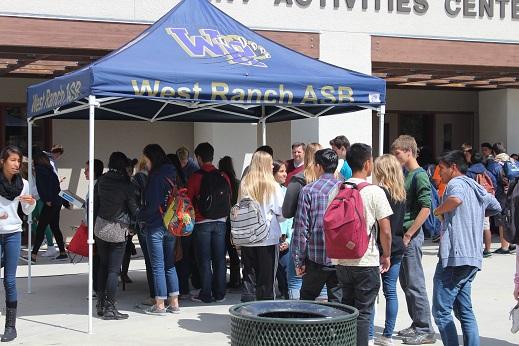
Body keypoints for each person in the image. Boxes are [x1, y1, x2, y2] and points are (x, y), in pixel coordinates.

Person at [432, 150, 501, 346]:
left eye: (442, 169)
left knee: (441, 311)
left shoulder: (456, 183)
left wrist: (438, 211)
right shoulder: (476, 186)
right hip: (472, 257)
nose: (440, 174)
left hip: (456, 256)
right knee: (464, 311)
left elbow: (456, 200)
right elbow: (495, 206)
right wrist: (474, 213)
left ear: (453, 167)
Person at [333, 144, 392, 346]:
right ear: (368, 164)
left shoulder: (337, 188)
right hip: (366, 260)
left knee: (347, 310)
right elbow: (385, 230)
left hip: (341, 260)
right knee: (364, 312)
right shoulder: (374, 191)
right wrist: (387, 254)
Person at [391, 135, 436, 344]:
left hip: (412, 237)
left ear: (409, 151)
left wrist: (409, 234)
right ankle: (417, 323)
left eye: (398, 153)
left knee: (415, 283)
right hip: (404, 236)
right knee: (406, 282)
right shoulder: (407, 174)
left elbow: (426, 208)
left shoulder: (419, 176)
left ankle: (425, 328)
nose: (395, 157)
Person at [292, 149, 342, 303]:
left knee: (307, 300)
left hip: (316, 256)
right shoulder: (346, 188)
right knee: (339, 304)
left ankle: (305, 327)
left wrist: (298, 260)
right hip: (342, 257)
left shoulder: (309, 190)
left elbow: (301, 229)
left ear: (319, 166)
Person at [93, 152, 138, 320]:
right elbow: (133, 209)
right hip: (118, 229)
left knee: (103, 266)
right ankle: (110, 308)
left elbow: (95, 205)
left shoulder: (102, 181)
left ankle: (100, 304)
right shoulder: (127, 184)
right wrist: (136, 225)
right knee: (113, 270)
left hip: (100, 227)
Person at [369, 154, 407, 346]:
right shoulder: (401, 193)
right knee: (390, 291)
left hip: (379, 246)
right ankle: (388, 334)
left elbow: (381, 227)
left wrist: (385, 252)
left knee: (371, 292)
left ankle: (368, 334)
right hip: (398, 245)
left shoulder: (378, 192)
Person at [138, 144, 180, 314]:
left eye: (146, 159)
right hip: (171, 225)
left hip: (156, 225)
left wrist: (139, 216)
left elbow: (152, 206)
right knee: (170, 265)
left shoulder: (155, 177)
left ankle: (160, 304)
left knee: (157, 266)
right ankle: (175, 303)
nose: (145, 162)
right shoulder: (172, 173)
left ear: (151, 158)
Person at [0, 146, 36, 342]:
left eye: (18, 161)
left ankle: (10, 326)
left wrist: (31, 203)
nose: (16, 164)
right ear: (3, 161)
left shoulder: (23, 183)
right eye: (12, 160)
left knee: (10, 280)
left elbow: (26, 210)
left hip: (13, 232)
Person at [187, 142, 231, 303]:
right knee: (219, 259)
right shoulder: (223, 175)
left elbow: (188, 200)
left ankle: (206, 293)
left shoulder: (195, 177)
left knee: (204, 259)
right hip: (221, 222)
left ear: (198, 158)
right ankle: (220, 293)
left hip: (201, 222)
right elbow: (228, 197)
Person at [239, 151, 285, 300]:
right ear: (265, 164)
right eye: (270, 162)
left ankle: (246, 312)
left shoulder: (245, 183)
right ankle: (264, 313)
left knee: (249, 276)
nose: (273, 165)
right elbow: (281, 211)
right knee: (267, 280)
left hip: (248, 236)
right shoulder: (273, 185)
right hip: (267, 237)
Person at [282, 143, 322, 300]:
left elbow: (287, 211)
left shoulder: (299, 179)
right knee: (323, 283)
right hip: (325, 237)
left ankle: (297, 318)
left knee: (295, 280)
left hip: (301, 234)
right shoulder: (336, 180)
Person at [29, 150, 68, 262]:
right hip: (57, 202)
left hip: (50, 202)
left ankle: (33, 255)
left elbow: (41, 187)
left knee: (41, 227)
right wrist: (64, 202)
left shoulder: (40, 170)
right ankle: (62, 252)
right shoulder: (50, 170)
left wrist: (46, 200)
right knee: (55, 227)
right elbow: (57, 187)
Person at [131, 157, 155, 307]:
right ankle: (170, 297)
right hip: (160, 222)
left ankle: (154, 296)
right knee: (163, 262)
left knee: (150, 261)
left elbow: (133, 202)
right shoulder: (159, 177)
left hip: (144, 223)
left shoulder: (138, 179)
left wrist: (133, 225)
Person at [466, 152, 497, 258]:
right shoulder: (487, 172)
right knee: (486, 226)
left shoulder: (469, 172)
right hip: (485, 201)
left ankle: (474, 249)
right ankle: (487, 250)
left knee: (472, 226)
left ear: (472, 160)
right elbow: (494, 184)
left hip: (473, 202)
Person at [487, 142, 516, 254]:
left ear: (494, 152)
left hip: (502, 195)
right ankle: (512, 243)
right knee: (512, 218)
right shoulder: (513, 161)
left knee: (503, 220)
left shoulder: (494, 164)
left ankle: (504, 247)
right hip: (514, 193)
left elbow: (492, 181)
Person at [218, 156, 241, 289]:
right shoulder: (237, 183)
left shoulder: (219, 182)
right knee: (233, 253)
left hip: (222, 219)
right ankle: (235, 279)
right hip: (234, 221)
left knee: (220, 253)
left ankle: (220, 281)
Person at [272, 160, 293, 299]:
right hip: (271, 240)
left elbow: (290, 219)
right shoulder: (269, 192)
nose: (285, 174)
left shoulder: (286, 191)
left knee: (285, 274)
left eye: (285, 171)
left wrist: (289, 240)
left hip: (284, 240)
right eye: (281, 171)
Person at [84, 159, 104, 296]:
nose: (84, 172)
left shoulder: (97, 187)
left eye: (87, 170)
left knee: (97, 260)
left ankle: (98, 288)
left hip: (96, 228)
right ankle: (98, 288)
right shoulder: (95, 185)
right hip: (94, 226)